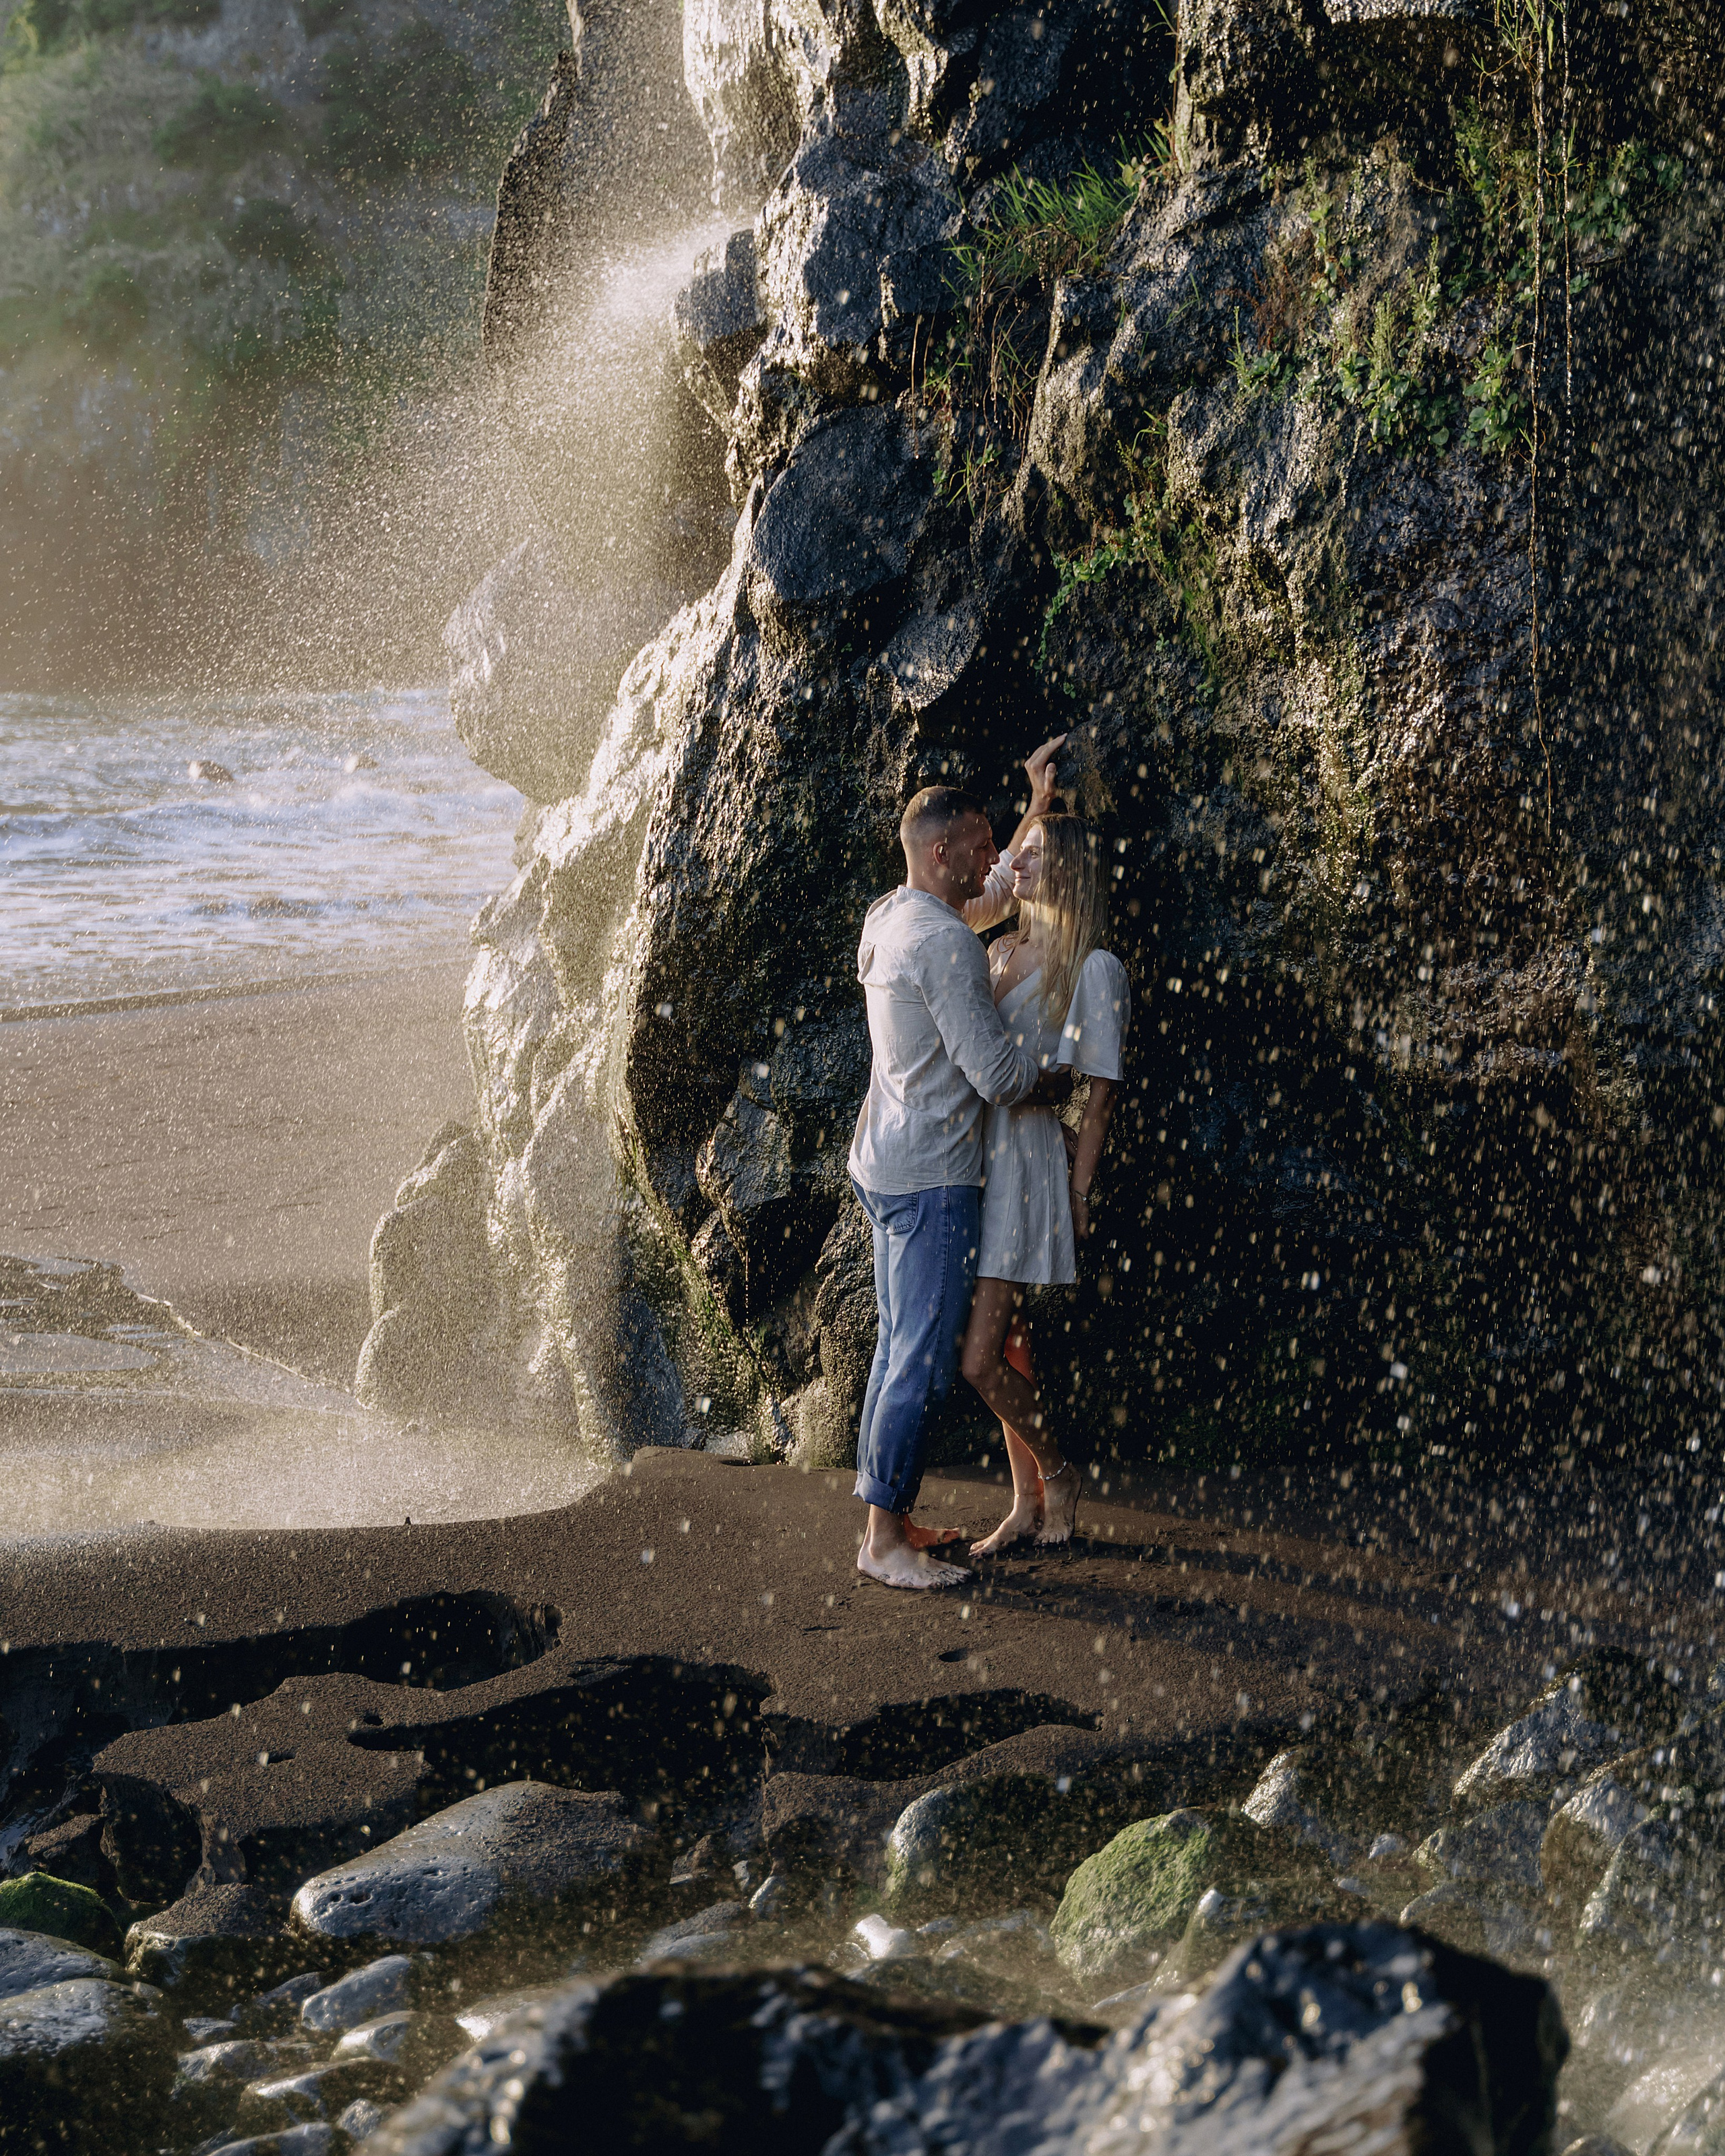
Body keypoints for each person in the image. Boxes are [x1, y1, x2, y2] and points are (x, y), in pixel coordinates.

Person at [848, 780, 1072, 1590]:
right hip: (933, 1179)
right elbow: (998, 1073)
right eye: (979, 846)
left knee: (891, 1348)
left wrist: (1034, 804)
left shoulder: (893, 915)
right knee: (917, 1361)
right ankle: (883, 1542)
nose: (992, 859)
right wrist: (1057, 1082)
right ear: (941, 852)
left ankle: (888, 1512)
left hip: (882, 1163)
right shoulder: (943, 944)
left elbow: (986, 901)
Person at [958, 788, 1131, 1554]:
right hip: (973, 1158)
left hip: (1027, 1162)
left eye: (1035, 855)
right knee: (1011, 1344)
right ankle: (1024, 1504)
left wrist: (1080, 1190)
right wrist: (1034, 797)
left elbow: (1097, 1097)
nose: (1014, 860)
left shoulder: (1091, 966)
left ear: (1070, 878)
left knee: (980, 1358)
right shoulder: (995, 949)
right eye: (1016, 851)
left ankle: (1057, 1473)